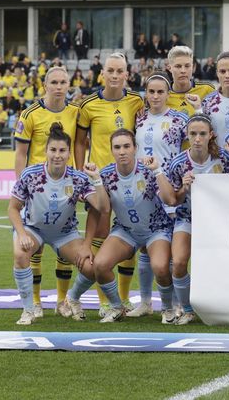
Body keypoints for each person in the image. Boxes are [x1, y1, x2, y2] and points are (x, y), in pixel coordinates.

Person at [60, 129, 176, 324]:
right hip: (125, 231)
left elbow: (170, 199)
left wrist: (158, 171)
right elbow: (103, 209)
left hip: (156, 229)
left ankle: (168, 309)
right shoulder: (105, 174)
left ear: (135, 149)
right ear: (111, 150)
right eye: (117, 147)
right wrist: (96, 180)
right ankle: (116, 307)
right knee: (100, 265)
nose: (122, 151)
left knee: (160, 267)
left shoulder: (148, 169)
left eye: (126, 146)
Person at [9, 123, 107, 325]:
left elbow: (100, 208)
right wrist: (22, 234)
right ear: (45, 151)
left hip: (65, 234)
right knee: (20, 254)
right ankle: (28, 310)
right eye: (53, 150)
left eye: (62, 150)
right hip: (33, 229)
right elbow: (12, 208)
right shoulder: (30, 175)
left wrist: (96, 180)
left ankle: (70, 298)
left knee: (92, 267)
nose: (57, 155)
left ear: (69, 153)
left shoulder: (78, 178)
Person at [75, 52, 144, 315]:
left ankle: (125, 298)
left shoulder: (136, 102)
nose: (115, 76)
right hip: (100, 182)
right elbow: (80, 141)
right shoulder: (89, 105)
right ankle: (104, 301)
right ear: (102, 73)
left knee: (130, 237)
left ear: (127, 74)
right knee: (101, 239)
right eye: (111, 71)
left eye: (120, 71)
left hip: (128, 180)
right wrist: (84, 174)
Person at [162, 116, 229, 324]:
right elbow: (174, 200)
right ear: (187, 135)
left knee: (228, 262)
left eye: (202, 134)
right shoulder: (178, 163)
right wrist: (184, 187)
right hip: (188, 217)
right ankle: (188, 308)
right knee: (180, 262)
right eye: (193, 134)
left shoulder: (223, 158)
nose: (197, 139)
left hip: (219, 220)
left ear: (210, 135)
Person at [14, 66, 80, 315]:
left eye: (63, 82)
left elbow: (80, 145)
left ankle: (62, 302)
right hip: (37, 189)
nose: (59, 86)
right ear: (45, 85)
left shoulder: (75, 112)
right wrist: (22, 188)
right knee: (35, 247)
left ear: (68, 85)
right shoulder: (30, 114)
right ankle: (36, 302)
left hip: (66, 189)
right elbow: (20, 154)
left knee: (64, 244)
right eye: (54, 82)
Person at [124, 72, 189, 318]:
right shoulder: (138, 119)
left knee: (169, 250)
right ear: (146, 94)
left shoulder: (180, 119)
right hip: (143, 189)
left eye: (160, 91)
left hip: (168, 187)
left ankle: (175, 303)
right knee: (144, 246)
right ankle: (145, 302)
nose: (155, 96)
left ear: (168, 94)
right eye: (151, 91)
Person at [164, 45, 216, 117]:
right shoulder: (163, 95)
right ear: (169, 68)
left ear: (193, 67)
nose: (183, 71)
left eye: (187, 66)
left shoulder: (207, 90)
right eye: (178, 66)